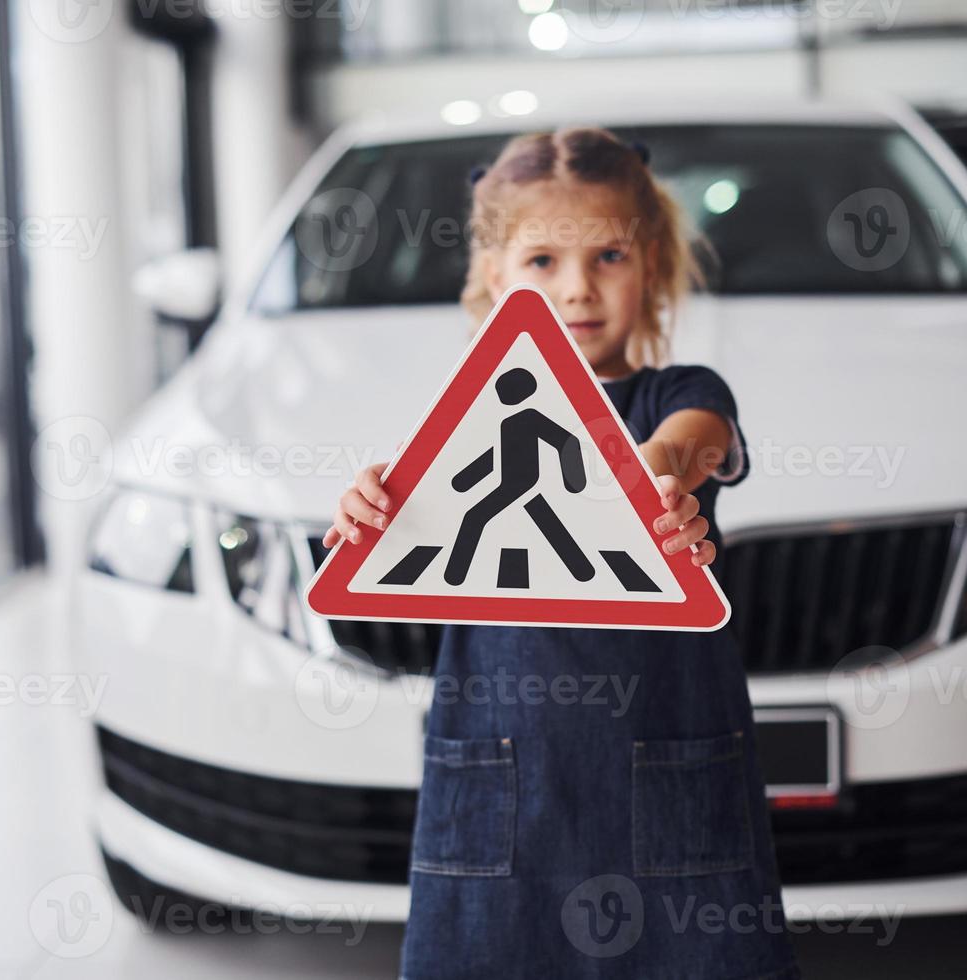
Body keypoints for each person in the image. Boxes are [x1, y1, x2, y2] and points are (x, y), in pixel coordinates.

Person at [322, 127, 801, 979]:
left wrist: (654, 473)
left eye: (609, 256)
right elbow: (412, 531)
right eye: (542, 260)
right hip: (501, 780)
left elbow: (696, 441)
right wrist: (376, 511)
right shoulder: (473, 425)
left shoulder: (678, 395)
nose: (579, 289)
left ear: (650, 264)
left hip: (668, 768)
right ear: (492, 279)